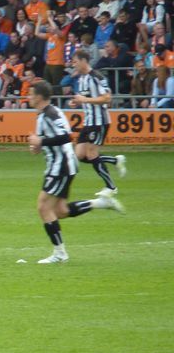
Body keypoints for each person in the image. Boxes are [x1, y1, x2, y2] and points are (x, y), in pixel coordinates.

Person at [27, 81, 124, 264]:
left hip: (61, 166)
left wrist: (41, 141)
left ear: (39, 96)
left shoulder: (50, 114)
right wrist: (38, 147)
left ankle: (60, 253)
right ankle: (101, 203)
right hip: (60, 164)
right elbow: (51, 140)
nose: (28, 97)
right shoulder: (45, 114)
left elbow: (66, 137)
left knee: (43, 207)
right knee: (61, 211)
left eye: (31, 94)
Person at [69, 50, 127, 196]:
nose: (73, 64)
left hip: (100, 121)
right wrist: (77, 102)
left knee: (92, 153)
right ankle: (115, 161)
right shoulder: (82, 78)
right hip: (88, 122)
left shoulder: (97, 76)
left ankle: (111, 187)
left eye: (75, 61)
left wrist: (85, 100)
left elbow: (107, 98)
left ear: (83, 61)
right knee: (80, 155)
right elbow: (87, 98)